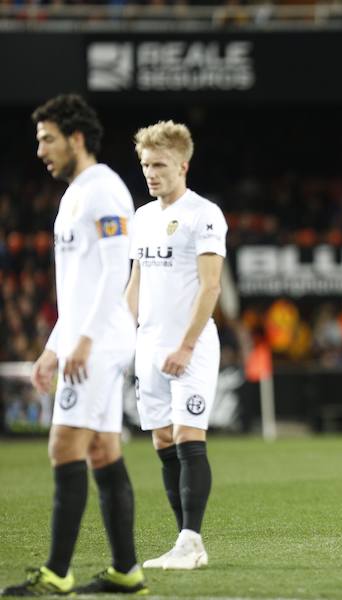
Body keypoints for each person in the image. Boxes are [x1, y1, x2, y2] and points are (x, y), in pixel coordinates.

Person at [2, 94, 147, 596]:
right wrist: (52, 345)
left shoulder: (103, 190)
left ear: (76, 138)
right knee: (103, 451)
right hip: (91, 338)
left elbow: (114, 271)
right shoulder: (76, 195)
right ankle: (127, 571)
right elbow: (80, 285)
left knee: (64, 444)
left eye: (48, 139)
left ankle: (56, 574)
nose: (40, 149)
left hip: (101, 342)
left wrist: (81, 343)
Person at [124, 120, 227, 570]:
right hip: (149, 346)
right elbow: (136, 282)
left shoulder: (203, 214)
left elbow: (210, 288)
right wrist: (120, 339)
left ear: (182, 165)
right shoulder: (143, 218)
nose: (151, 172)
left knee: (188, 436)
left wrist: (185, 346)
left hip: (192, 347)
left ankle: (192, 539)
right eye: (146, 164)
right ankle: (185, 543)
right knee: (163, 440)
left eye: (160, 164)